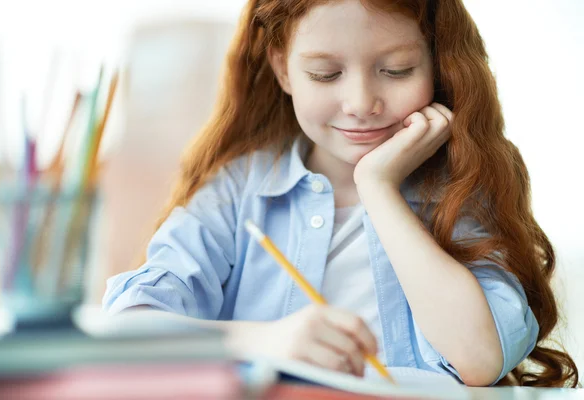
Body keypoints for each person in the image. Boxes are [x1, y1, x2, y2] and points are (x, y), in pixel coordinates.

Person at [102, 0, 578, 387]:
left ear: (438, 64)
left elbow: (479, 357)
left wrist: (379, 188)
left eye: (396, 69)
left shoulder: (463, 191)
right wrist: (264, 341)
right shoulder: (238, 191)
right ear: (283, 70)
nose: (360, 105)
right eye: (325, 75)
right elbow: (127, 328)